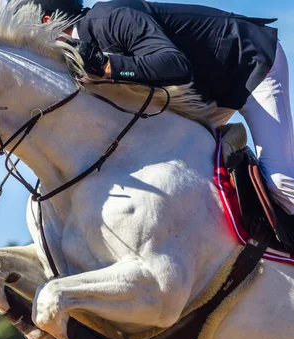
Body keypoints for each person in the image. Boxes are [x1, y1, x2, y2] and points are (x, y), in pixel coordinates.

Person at [17, 0, 294, 219]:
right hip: (210, 87)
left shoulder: (113, 16)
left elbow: (176, 66)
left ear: (47, 23)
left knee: (279, 181)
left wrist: (108, 66)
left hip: (251, 63)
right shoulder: (78, 57)